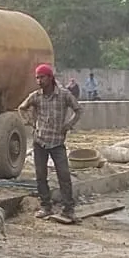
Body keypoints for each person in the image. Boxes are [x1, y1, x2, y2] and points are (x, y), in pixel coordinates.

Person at [19, 64, 81, 222]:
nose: (39, 81)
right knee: (41, 176)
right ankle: (46, 207)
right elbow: (22, 108)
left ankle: (68, 209)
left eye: (42, 77)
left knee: (64, 175)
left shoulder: (64, 95)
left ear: (50, 77)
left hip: (57, 142)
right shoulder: (36, 96)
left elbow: (78, 110)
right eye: (37, 78)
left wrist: (68, 125)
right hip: (40, 141)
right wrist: (31, 122)